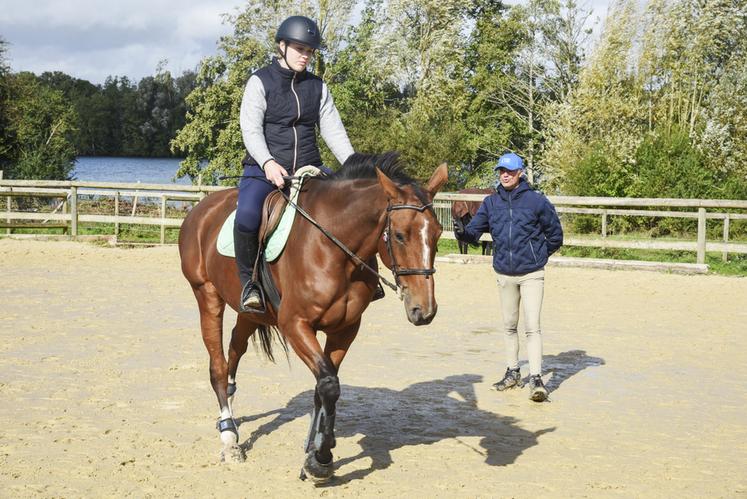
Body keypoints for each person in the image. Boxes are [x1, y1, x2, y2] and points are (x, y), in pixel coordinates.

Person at [234, 15, 355, 312]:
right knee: (248, 215)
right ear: (282, 46)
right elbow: (250, 128)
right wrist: (268, 163)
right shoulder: (260, 81)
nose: (305, 56)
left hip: (310, 169)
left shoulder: (318, 87)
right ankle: (250, 284)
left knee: (353, 207)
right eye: (300, 48)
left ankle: (364, 277)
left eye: (310, 51)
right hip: (265, 170)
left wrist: (354, 166)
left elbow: (332, 130)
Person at [453, 152, 563, 402]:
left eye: (510, 171)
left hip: (532, 274)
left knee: (532, 327)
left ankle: (536, 378)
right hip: (504, 273)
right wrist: (463, 234)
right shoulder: (491, 203)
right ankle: (513, 371)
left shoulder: (537, 201)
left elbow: (555, 235)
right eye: (502, 170)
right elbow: (474, 233)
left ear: (520, 173)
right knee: (509, 326)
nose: (505, 174)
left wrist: (539, 257)